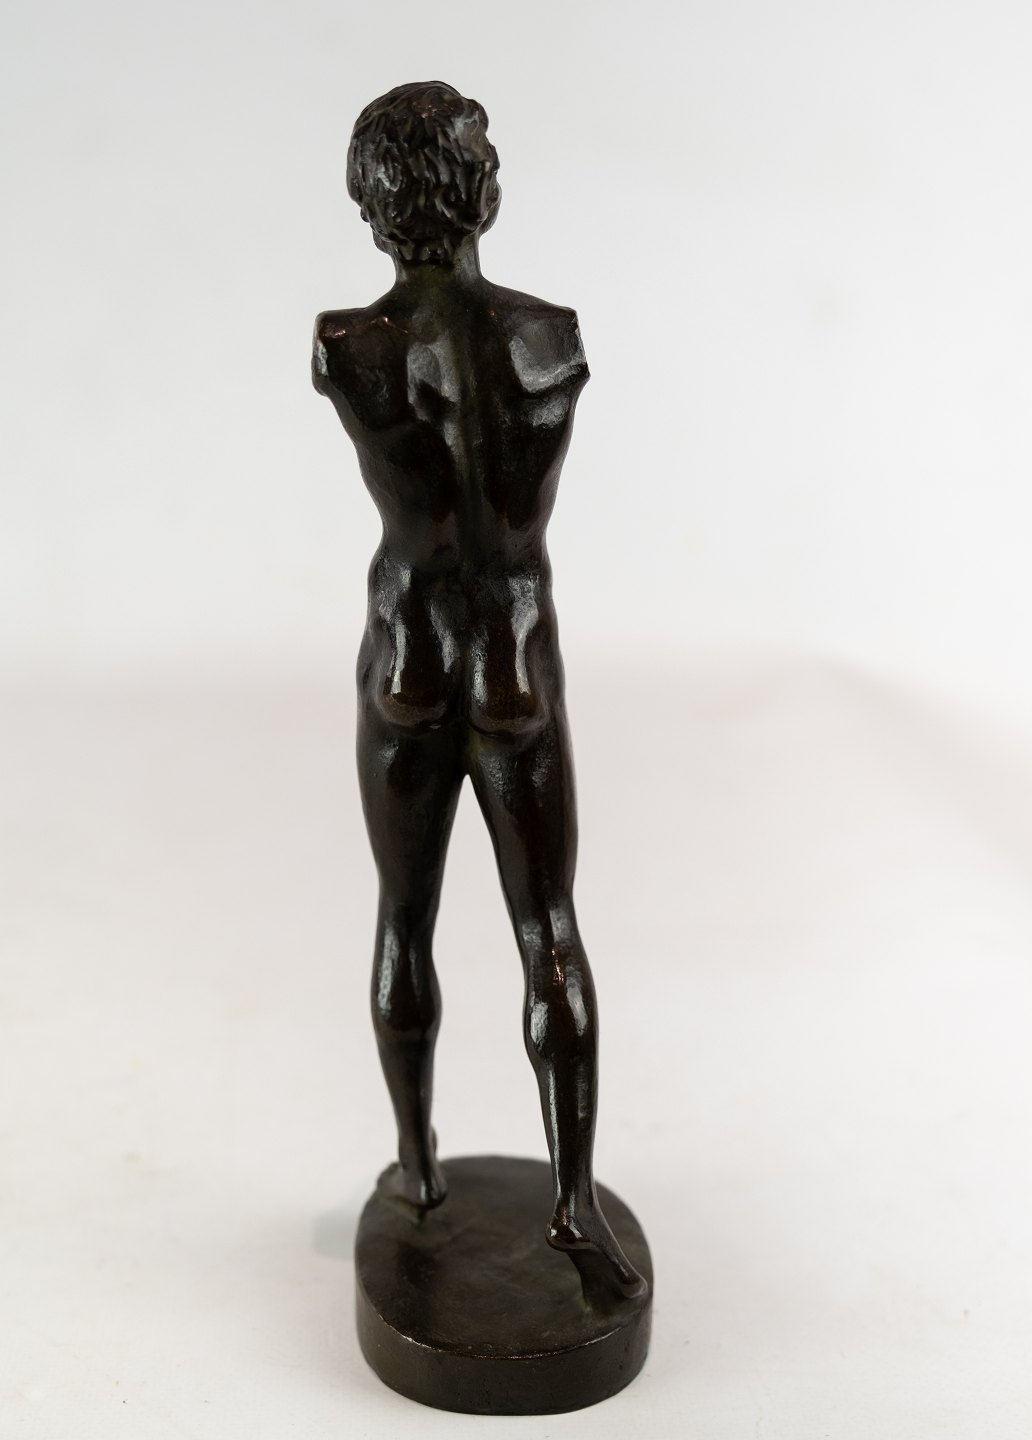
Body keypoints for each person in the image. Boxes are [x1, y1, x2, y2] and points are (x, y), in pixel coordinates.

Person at [313, 81, 645, 1302]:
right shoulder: (548, 338)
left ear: (372, 205)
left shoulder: (351, 348)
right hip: (513, 656)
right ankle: (571, 1203)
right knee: (547, 928)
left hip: (410, 652)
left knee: (405, 920)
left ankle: (417, 1169)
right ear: (482, 191)